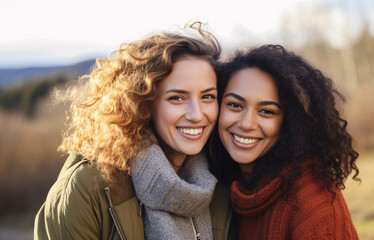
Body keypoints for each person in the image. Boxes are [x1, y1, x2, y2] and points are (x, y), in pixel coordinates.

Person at [34, 22, 233, 240]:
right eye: (177, 98)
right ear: (143, 103)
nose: (196, 114)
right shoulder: (88, 188)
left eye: (207, 97)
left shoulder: (221, 186)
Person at [210, 44, 360, 239]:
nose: (247, 124)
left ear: (290, 122)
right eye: (235, 105)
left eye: (266, 111)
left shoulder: (312, 204)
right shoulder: (226, 183)